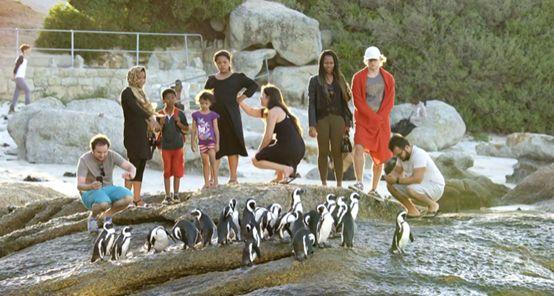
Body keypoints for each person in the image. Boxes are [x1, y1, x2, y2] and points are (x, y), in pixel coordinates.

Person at [204, 50, 258, 185]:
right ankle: (213, 179)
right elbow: (204, 97)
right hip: (215, 118)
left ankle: (233, 178)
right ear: (215, 64)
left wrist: (241, 98)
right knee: (215, 148)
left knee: (232, 147)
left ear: (229, 62)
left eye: (224, 62)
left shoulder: (237, 77)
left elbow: (253, 85)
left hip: (232, 117)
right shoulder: (212, 79)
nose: (222, 65)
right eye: (219, 63)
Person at [349, 46, 395, 196]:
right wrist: (373, 117)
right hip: (364, 120)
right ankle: (359, 182)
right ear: (366, 61)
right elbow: (358, 101)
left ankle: (374, 189)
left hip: (382, 123)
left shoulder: (388, 78)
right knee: (358, 147)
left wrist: (380, 118)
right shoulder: (358, 77)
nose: (372, 63)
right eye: (369, 60)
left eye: (374, 60)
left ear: (380, 60)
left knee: (381, 155)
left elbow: (389, 101)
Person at [238, 84, 305, 184]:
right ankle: (279, 176)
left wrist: (259, 151)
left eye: (262, 95)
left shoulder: (274, 111)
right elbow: (251, 111)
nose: (260, 98)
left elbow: (268, 136)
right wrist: (239, 101)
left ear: (269, 97)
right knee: (274, 144)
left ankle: (286, 169)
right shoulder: (275, 109)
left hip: (289, 149)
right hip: (297, 148)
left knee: (256, 160)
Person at [308, 50, 353, 187]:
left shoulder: (340, 78)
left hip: (338, 119)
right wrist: (312, 124)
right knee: (322, 151)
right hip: (322, 119)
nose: (329, 65)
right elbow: (311, 103)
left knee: (337, 152)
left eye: (331, 63)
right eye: (326, 63)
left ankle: (339, 183)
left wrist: (347, 122)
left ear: (335, 64)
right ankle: (323, 183)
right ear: (321, 64)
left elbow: (345, 102)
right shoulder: (315, 80)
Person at [77, 134, 136, 233]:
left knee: (129, 197)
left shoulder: (112, 155)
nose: (102, 155)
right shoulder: (84, 160)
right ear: (92, 150)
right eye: (99, 152)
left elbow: (131, 167)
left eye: (105, 152)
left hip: (108, 188)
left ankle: (107, 215)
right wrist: (91, 186)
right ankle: (93, 218)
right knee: (104, 203)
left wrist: (131, 174)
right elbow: (79, 186)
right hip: (89, 191)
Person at [121, 66, 160, 207]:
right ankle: (125, 199)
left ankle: (137, 198)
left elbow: (147, 110)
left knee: (142, 163)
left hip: (143, 133)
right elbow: (136, 110)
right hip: (133, 133)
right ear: (132, 77)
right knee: (133, 164)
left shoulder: (141, 94)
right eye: (138, 77)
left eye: (143, 77)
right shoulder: (127, 93)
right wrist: (151, 118)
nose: (141, 80)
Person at [385, 134, 445, 218]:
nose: (399, 157)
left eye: (399, 154)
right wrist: (389, 177)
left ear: (407, 147)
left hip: (435, 186)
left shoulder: (419, 154)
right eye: (396, 156)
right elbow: (396, 171)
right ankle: (412, 211)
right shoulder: (402, 157)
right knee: (390, 186)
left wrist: (397, 180)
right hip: (420, 186)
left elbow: (417, 179)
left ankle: (433, 205)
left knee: (411, 189)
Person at [157, 88, 189, 204]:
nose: (171, 100)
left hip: (178, 146)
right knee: (167, 171)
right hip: (165, 146)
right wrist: (161, 124)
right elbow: (156, 130)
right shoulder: (160, 114)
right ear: (163, 100)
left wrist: (179, 122)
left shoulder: (180, 113)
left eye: (173, 97)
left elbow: (186, 129)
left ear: (175, 98)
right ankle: (167, 196)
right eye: (168, 98)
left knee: (177, 170)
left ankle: (176, 194)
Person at [191, 90, 220, 189]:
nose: (204, 105)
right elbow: (194, 129)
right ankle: (206, 182)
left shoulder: (213, 115)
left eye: (206, 103)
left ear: (210, 103)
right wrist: (192, 142)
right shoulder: (196, 115)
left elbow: (216, 130)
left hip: (211, 141)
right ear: (199, 102)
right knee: (204, 162)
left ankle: (215, 180)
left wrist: (217, 143)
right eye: (202, 103)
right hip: (201, 142)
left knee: (213, 160)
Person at [10, 44, 32, 113]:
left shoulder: (23, 58)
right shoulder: (21, 57)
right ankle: (27, 107)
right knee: (27, 90)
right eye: (28, 49)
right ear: (25, 50)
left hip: (20, 77)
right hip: (19, 77)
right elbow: (16, 67)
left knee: (16, 93)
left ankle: (12, 108)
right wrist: (13, 75)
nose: (30, 50)